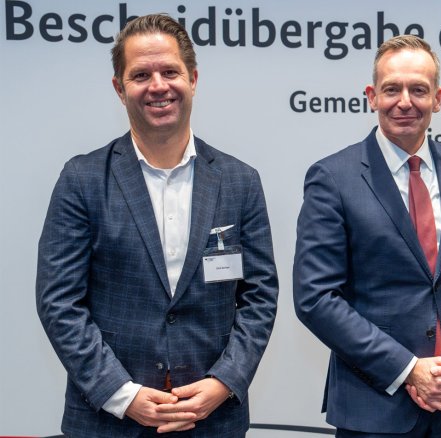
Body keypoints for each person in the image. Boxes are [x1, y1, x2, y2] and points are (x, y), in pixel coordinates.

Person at [35, 14, 279, 437]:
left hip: (212, 420)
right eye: (141, 74)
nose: (158, 86)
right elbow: (59, 303)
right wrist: (122, 394)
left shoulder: (240, 181)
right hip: (107, 421)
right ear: (119, 88)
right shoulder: (82, 179)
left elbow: (259, 297)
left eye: (170, 71)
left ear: (193, 79)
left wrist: (224, 382)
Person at [293, 35, 441, 437]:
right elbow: (316, 298)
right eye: (392, 88)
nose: (405, 101)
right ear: (371, 96)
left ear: (439, 98)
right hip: (374, 406)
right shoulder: (332, 178)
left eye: (419, 89)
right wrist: (409, 369)